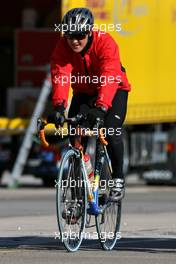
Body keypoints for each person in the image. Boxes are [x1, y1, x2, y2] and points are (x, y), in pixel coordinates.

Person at [50, 7, 131, 202]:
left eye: (79, 36)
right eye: (70, 36)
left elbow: (110, 75)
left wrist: (102, 107)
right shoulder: (63, 47)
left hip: (114, 90)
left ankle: (118, 178)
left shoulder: (105, 42)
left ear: (89, 32)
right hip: (84, 92)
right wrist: (59, 106)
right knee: (74, 134)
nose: (74, 41)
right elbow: (61, 74)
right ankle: (81, 189)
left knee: (111, 131)